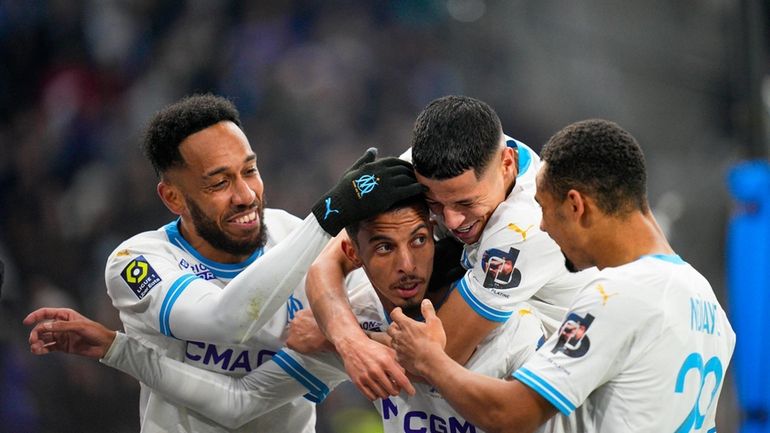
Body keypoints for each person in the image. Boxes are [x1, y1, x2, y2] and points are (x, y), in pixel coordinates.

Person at [24, 93, 423, 433]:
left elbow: (378, 334)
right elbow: (226, 322)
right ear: (173, 198)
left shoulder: (303, 243)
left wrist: (342, 335)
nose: (246, 194)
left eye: (250, 170)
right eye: (219, 183)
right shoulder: (138, 262)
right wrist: (329, 215)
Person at [26, 193, 548, 433]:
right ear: (354, 254)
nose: (407, 264)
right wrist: (117, 348)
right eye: (383, 248)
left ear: (439, 238)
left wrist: (346, 343)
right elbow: (238, 403)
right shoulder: (359, 323)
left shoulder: (513, 327)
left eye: (418, 241)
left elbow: (515, 416)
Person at [386, 119, 736, 432]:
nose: (541, 225)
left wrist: (430, 361)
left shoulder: (615, 295)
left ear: (575, 205)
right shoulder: (708, 304)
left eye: (543, 207)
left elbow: (511, 415)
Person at [304, 95, 595, 400]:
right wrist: (347, 338)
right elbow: (326, 264)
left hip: (562, 367)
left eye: (466, 203)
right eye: (434, 203)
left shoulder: (525, 226)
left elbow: (436, 358)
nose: (453, 221)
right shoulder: (434, 159)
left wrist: (332, 336)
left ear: (506, 164)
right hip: (476, 317)